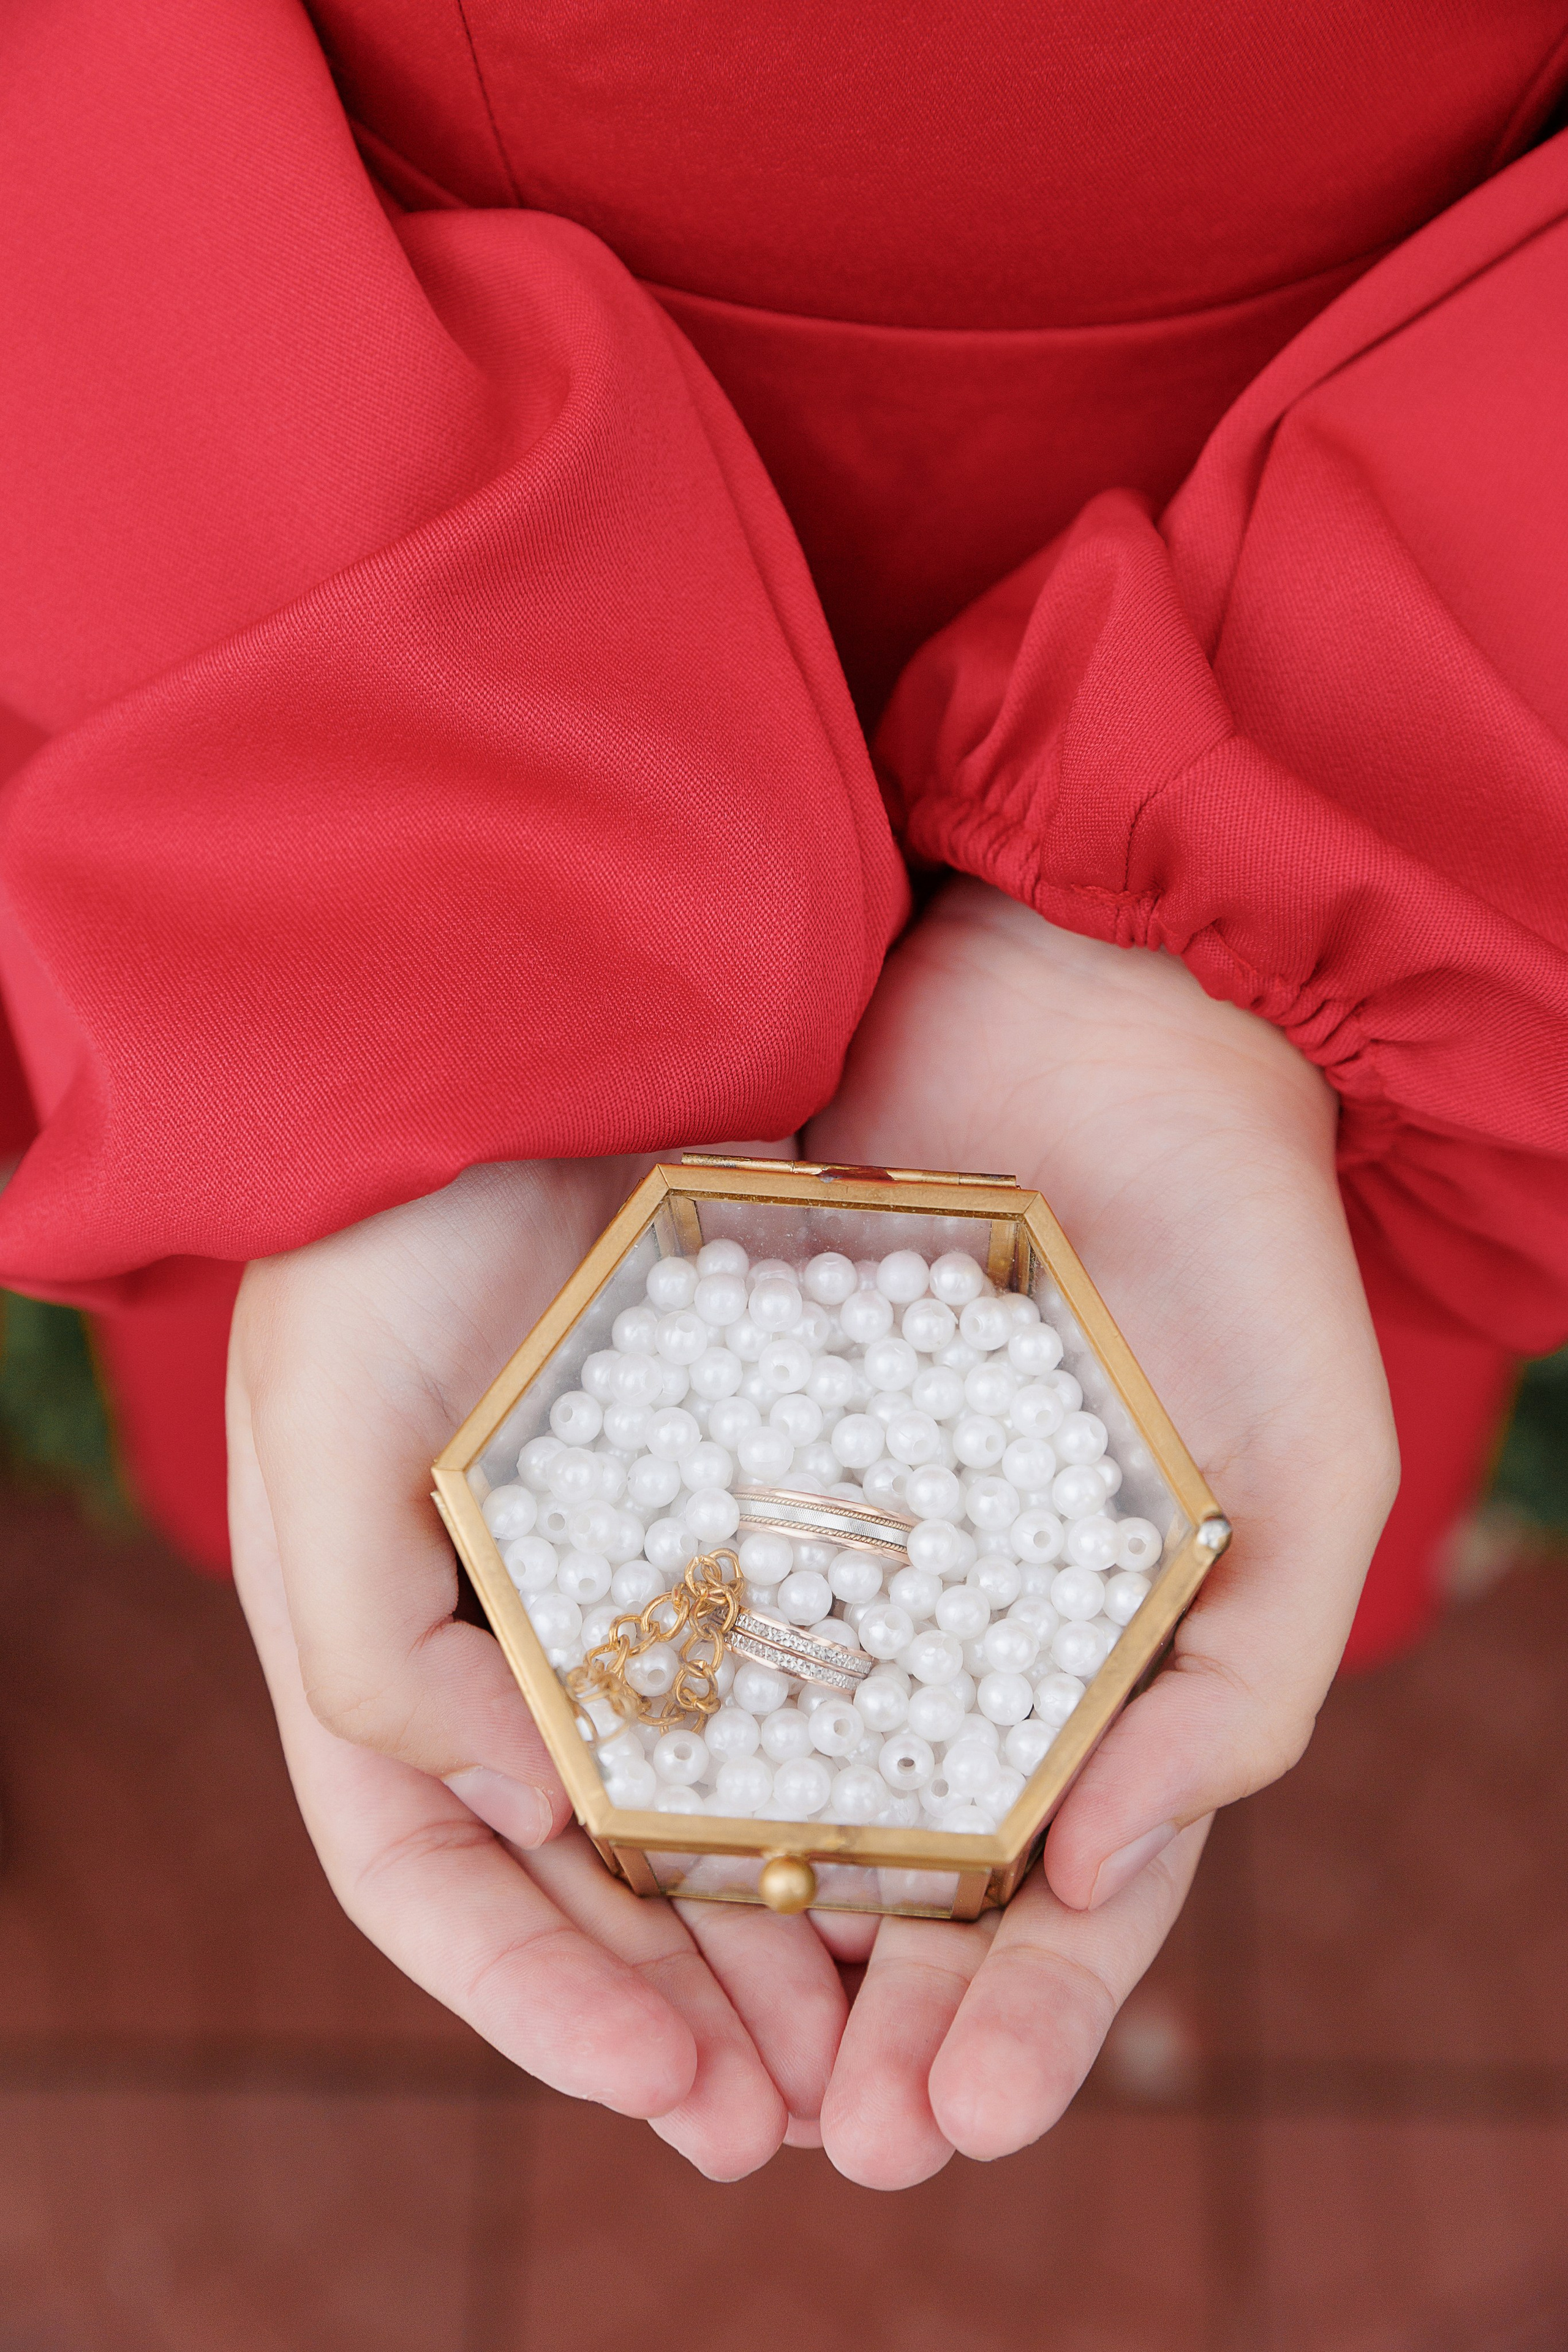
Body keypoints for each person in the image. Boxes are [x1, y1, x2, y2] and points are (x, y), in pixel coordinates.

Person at [2, 0, 1565, 2187]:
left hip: (1325, 450)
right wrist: (383, 922)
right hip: (366, 451)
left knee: (1268, 1429)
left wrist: (1316, 858)